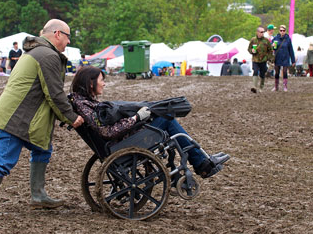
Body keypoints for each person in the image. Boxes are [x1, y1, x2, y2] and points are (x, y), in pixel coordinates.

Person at [0, 19, 84, 217]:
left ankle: (38, 196)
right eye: (68, 37)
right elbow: (54, 93)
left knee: (42, 149)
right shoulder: (47, 55)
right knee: (4, 160)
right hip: (15, 120)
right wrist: (71, 117)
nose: (69, 42)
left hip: (20, 116)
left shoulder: (38, 52)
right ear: (58, 34)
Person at [70, 66, 230, 180]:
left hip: (117, 143)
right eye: (101, 80)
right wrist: (136, 118)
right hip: (119, 146)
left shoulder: (83, 102)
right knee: (167, 118)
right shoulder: (84, 105)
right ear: (91, 83)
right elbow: (108, 131)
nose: (104, 83)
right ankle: (201, 163)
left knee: (162, 117)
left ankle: (200, 161)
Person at [248, 26, 273, 93]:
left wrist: (269, 57)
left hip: (263, 60)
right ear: (257, 32)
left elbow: (270, 50)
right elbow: (249, 49)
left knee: (262, 74)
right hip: (255, 59)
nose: (263, 33)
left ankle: (261, 87)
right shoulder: (253, 40)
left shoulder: (266, 40)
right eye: (261, 32)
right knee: (255, 71)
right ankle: (254, 87)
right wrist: (252, 51)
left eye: (263, 32)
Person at [271, 25, 295, 92]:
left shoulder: (288, 39)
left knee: (284, 72)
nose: (282, 32)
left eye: (283, 30)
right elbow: (271, 48)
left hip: (285, 57)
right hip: (277, 57)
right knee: (277, 72)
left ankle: (285, 86)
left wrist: (293, 60)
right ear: (279, 31)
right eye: (281, 30)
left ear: (285, 31)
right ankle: (276, 86)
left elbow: (291, 50)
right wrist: (272, 46)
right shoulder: (275, 38)